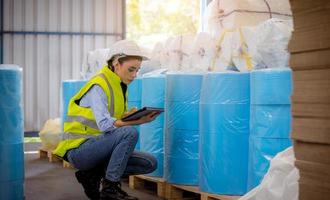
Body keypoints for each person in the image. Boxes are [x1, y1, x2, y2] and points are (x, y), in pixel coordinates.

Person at [53, 40, 159, 200]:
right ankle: (110, 188)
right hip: (80, 150)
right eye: (131, 70)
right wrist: (136, 121)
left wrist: (129, 116)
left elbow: (112, 120)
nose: (134, 75)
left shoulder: (119, 85)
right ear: (116, 64)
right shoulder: (99, 85)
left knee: (149, 163)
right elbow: (105, 124)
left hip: (99, 146)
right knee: (129, 132)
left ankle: (91, 175)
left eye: (137, 70)